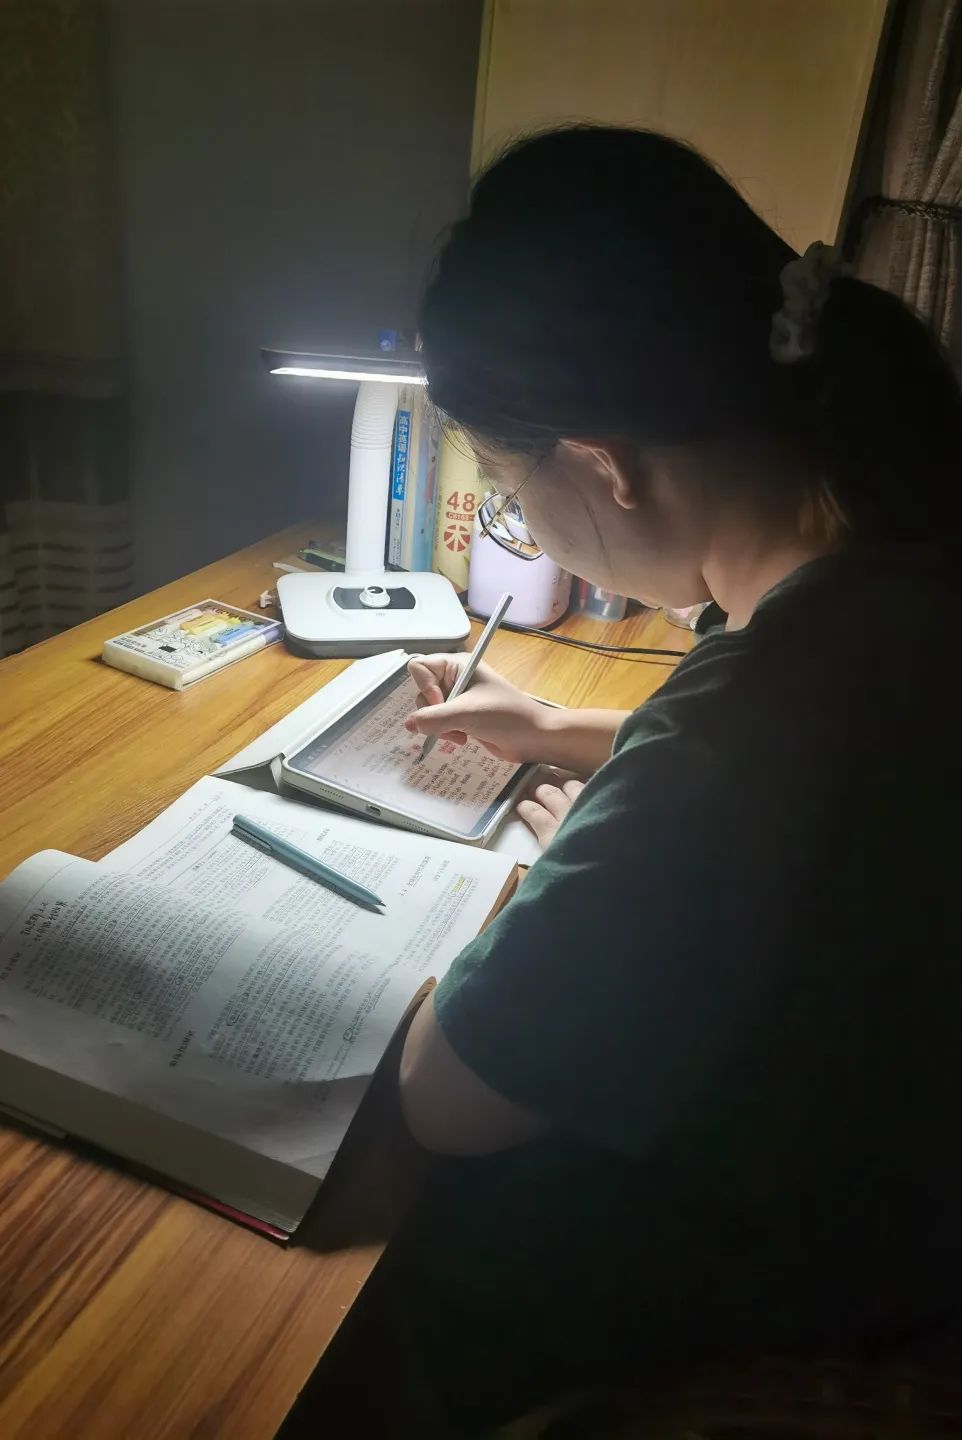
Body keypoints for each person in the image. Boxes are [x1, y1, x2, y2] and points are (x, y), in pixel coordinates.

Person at [315, 127, 962, 1434]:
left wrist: (551, 870)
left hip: (770, 1307)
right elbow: (810, 783)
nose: (523, 524)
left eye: (509, 491)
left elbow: (448, 1099)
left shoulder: (747, 719)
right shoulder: (893, 562)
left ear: (601, 463)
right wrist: (564, 728)